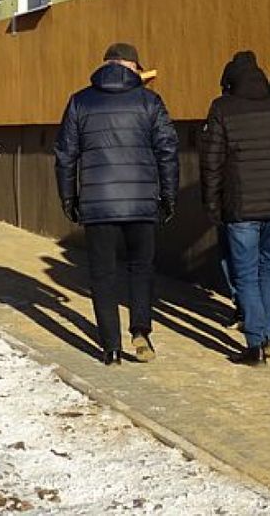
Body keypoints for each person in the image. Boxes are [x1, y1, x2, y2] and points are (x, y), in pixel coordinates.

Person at [54, 43, 179, 366]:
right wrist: (169, 196)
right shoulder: (150, 102)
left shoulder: (80, 101)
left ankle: (110, 346)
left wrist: (69, 197)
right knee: (141, 268)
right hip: (141, 202)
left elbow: (66, 155)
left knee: (103, 275)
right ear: (133, 66)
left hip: (98, 203)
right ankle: (140, 330)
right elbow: (168, 151)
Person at [199, 50, 270, 366]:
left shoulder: (222, 109)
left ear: (229, 82)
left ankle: (256, 343)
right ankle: (269, 336)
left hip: (241, 207)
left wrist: (212, 204)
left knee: (245, 273)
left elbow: (212, 163)